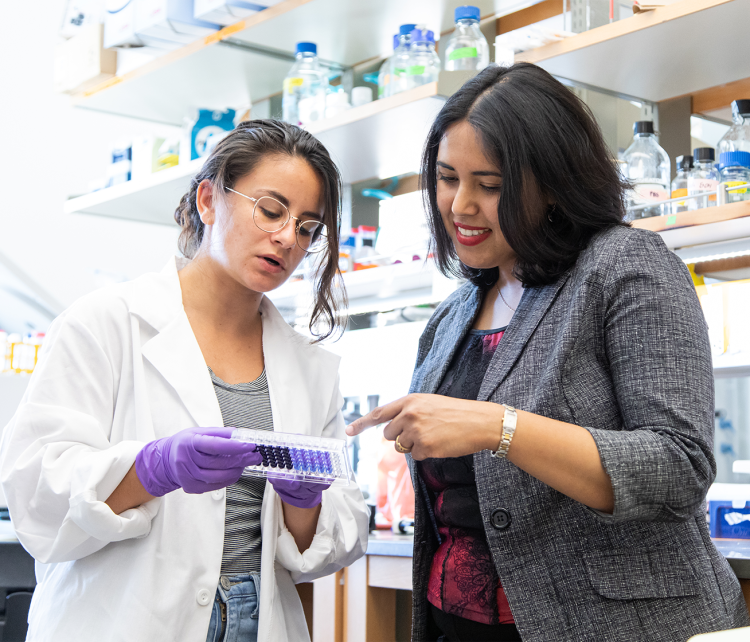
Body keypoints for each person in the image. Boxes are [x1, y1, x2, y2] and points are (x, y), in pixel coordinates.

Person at [347, 64, 750, 642]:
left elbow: (677, 467)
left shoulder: (624, 267)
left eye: (489, 185)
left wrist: (496, 426)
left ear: (555, 182)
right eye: (446, 177)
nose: (461, 205)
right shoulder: (451, 317)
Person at [0, 119, 369, 642]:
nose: (287, 237)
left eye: (308, 227)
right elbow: (35, 492)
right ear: (208, 200)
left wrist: (305, 502)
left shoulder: (309, 366)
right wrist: (151, 469)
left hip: (257, 620)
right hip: (125, 618)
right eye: (270, 209)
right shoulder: (107, 322)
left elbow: (331, 541)